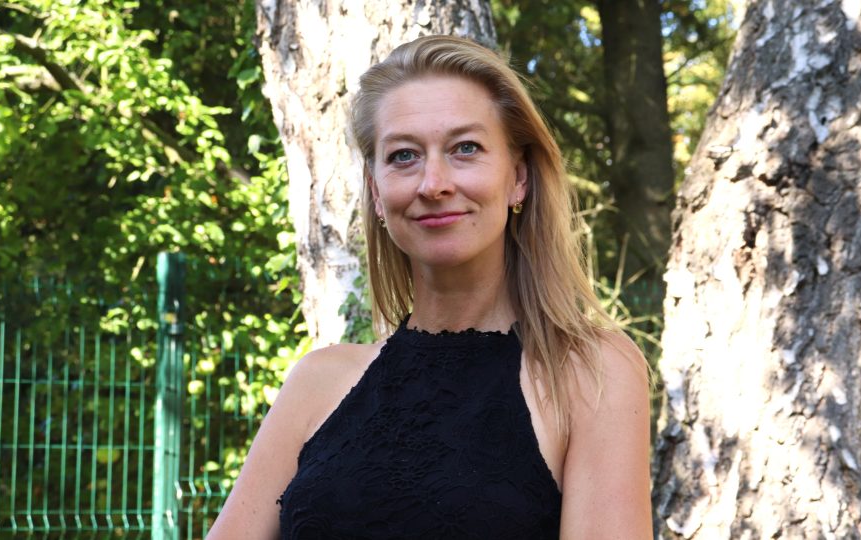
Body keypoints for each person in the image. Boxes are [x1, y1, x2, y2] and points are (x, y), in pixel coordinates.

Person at [208, 35, 652, 539]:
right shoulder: (317, 382)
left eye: (466, 149)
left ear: (519, 177)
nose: (433, 183)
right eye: (404, 156)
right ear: (376, 192)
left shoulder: (589, 371)